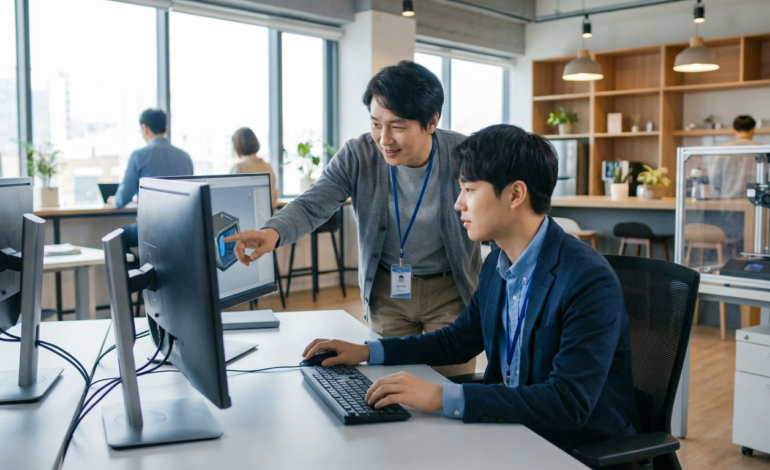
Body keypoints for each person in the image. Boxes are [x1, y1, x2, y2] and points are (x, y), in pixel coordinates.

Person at [301, 124, 640, 453]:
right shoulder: (497, 263)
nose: (458, 203)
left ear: (516, 194)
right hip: (510, 430)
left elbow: (567, 403)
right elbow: (459, 340)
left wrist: (438, 397)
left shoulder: (587, 278)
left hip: (571, 449)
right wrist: (367, 352)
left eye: (469, 190)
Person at [225, 61, 481, 377]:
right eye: (376, 124)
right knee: (391, 391)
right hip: (388, 292)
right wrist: (272, 232)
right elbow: (311, 205)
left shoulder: (464, 154)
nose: (384, 139)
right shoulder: (358, 154)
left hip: (450, 290)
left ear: (431, 122)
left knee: (448, 389)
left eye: (397, 127)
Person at [114, 108, 193, 249]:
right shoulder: (185, 157)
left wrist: (114, 199)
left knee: (116, 239)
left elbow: (123, 199)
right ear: (166, 128)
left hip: (151, 227)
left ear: (145, 129)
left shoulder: (138, 156)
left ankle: (139, 270)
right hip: (182, 227)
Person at [709, 115, 764, 199]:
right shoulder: (762, 149)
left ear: (734, 131)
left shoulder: (722, 150)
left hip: (727, 200)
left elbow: (714, 178)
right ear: (753, 130)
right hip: (755, 201)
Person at [230, 127, 279, 210]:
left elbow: (232, 199)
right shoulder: (268, 166)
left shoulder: (239, 167)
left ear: (237, 145)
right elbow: (274, 199)